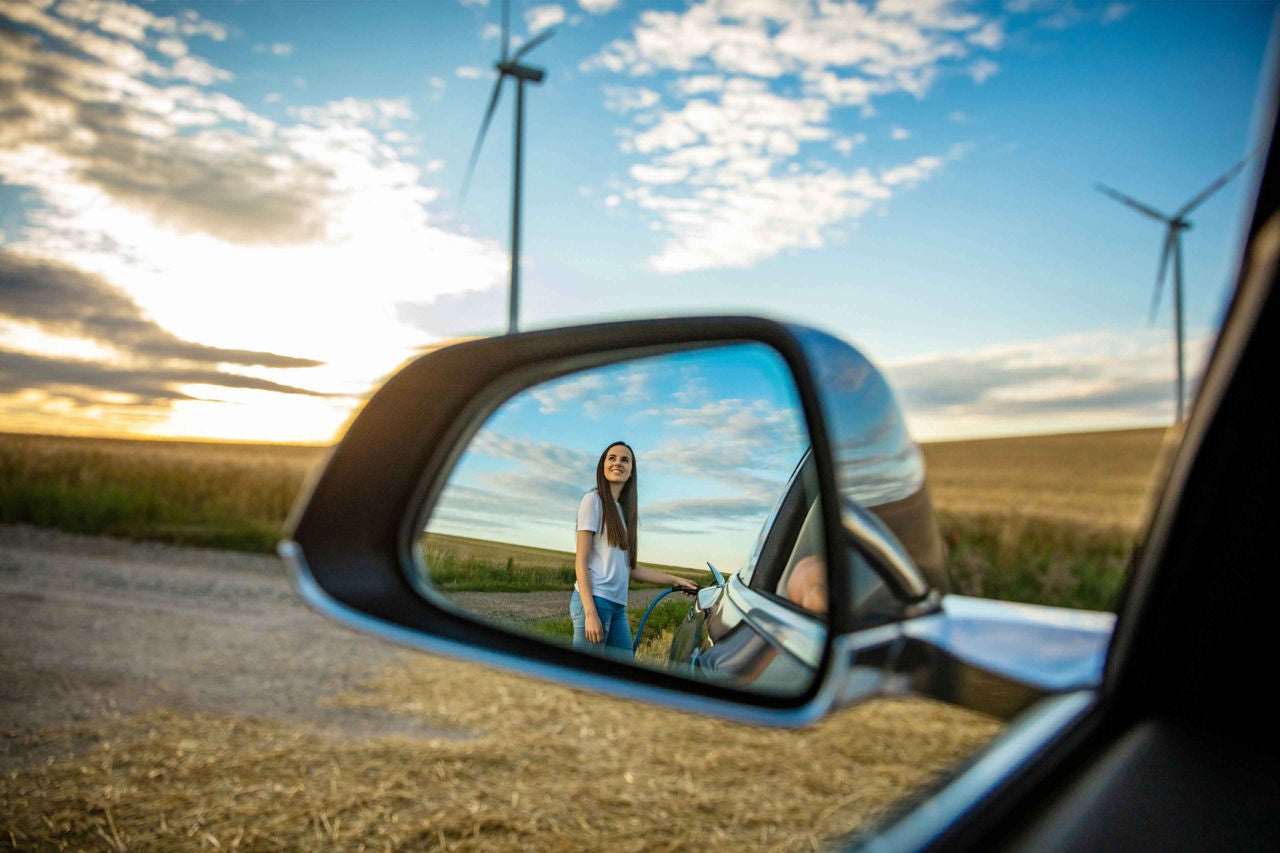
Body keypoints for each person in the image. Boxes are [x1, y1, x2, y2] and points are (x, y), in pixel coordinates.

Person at [571, 441, 697, 654]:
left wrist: (676, 580)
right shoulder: (593, 501)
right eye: (612, 458)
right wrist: (590, 613)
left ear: (631, 472)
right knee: (582, 674)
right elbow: (581, 561)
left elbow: (630, 568)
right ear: (602, 466)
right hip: (595, 601)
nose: (617, 463)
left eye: (624, 460)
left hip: (617, 606)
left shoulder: (622, 511)